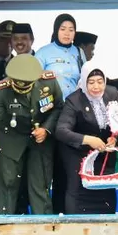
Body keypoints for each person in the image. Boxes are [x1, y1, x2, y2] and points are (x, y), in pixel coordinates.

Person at [0, 54, 63, 214]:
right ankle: (3, 227)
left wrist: (46, 129)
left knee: (40, 185)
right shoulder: (2, 89)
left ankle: (44, 227)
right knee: (7, 184)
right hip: (11, 137)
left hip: (40, 139)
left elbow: (58, 107)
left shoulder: (48, 81)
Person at [56, 61, 118, 214]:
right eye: (91, 82)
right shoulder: (74, 100)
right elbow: (61, 131)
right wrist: (88, 140)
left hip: (104, 154)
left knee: (105, 190)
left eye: (100, 82)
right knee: (78, 189)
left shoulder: (112, 93)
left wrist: (115, 138)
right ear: (84, 81)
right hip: (78, 154)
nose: (96, 87)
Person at [35, 14, 86, 215]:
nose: (67, 33)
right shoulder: (44, 53)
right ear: (56, 30)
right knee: (51, 164)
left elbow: (84, 81)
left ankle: (69, 211)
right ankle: (51, 211)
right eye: (63, 28)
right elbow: (34, 83)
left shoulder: (79, 53)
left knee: (69, 165)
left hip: (72, 113)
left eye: (71, 29)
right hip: (50, 113)